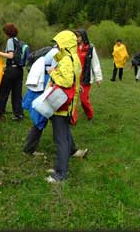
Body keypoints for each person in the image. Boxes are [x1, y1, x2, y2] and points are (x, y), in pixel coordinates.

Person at [45, 31, 88, 183]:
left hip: (62, 105)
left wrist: (52, 73)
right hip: (67, 103)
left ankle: (61, 174)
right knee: (64, 136)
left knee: (60, 139)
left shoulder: (67, 60)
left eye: (58, 44)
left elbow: (67, 81)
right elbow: (74, 79)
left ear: (65, 45)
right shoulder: (72, 58)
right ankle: (59, 167)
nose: (56, 47)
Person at [0, 23, 25, 121]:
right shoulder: (18, 41)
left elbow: (11, 56)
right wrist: (6, 65)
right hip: (19, 70)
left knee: (3, 91)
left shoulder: (10, 41)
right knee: (17, 93)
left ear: (7, 32)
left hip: (11, 71)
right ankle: (19, 114)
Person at [74, 29, 103, 121]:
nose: (76, 38)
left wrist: (98, 77)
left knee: (83, 100)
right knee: (73, 100)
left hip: (85, 78)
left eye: (78, 36)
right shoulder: (73, 47)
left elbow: (95, 63)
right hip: (75, 78)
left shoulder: (90, 48)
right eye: (76, 36)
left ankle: (90, 115)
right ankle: (72, 119)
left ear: (83, 37)